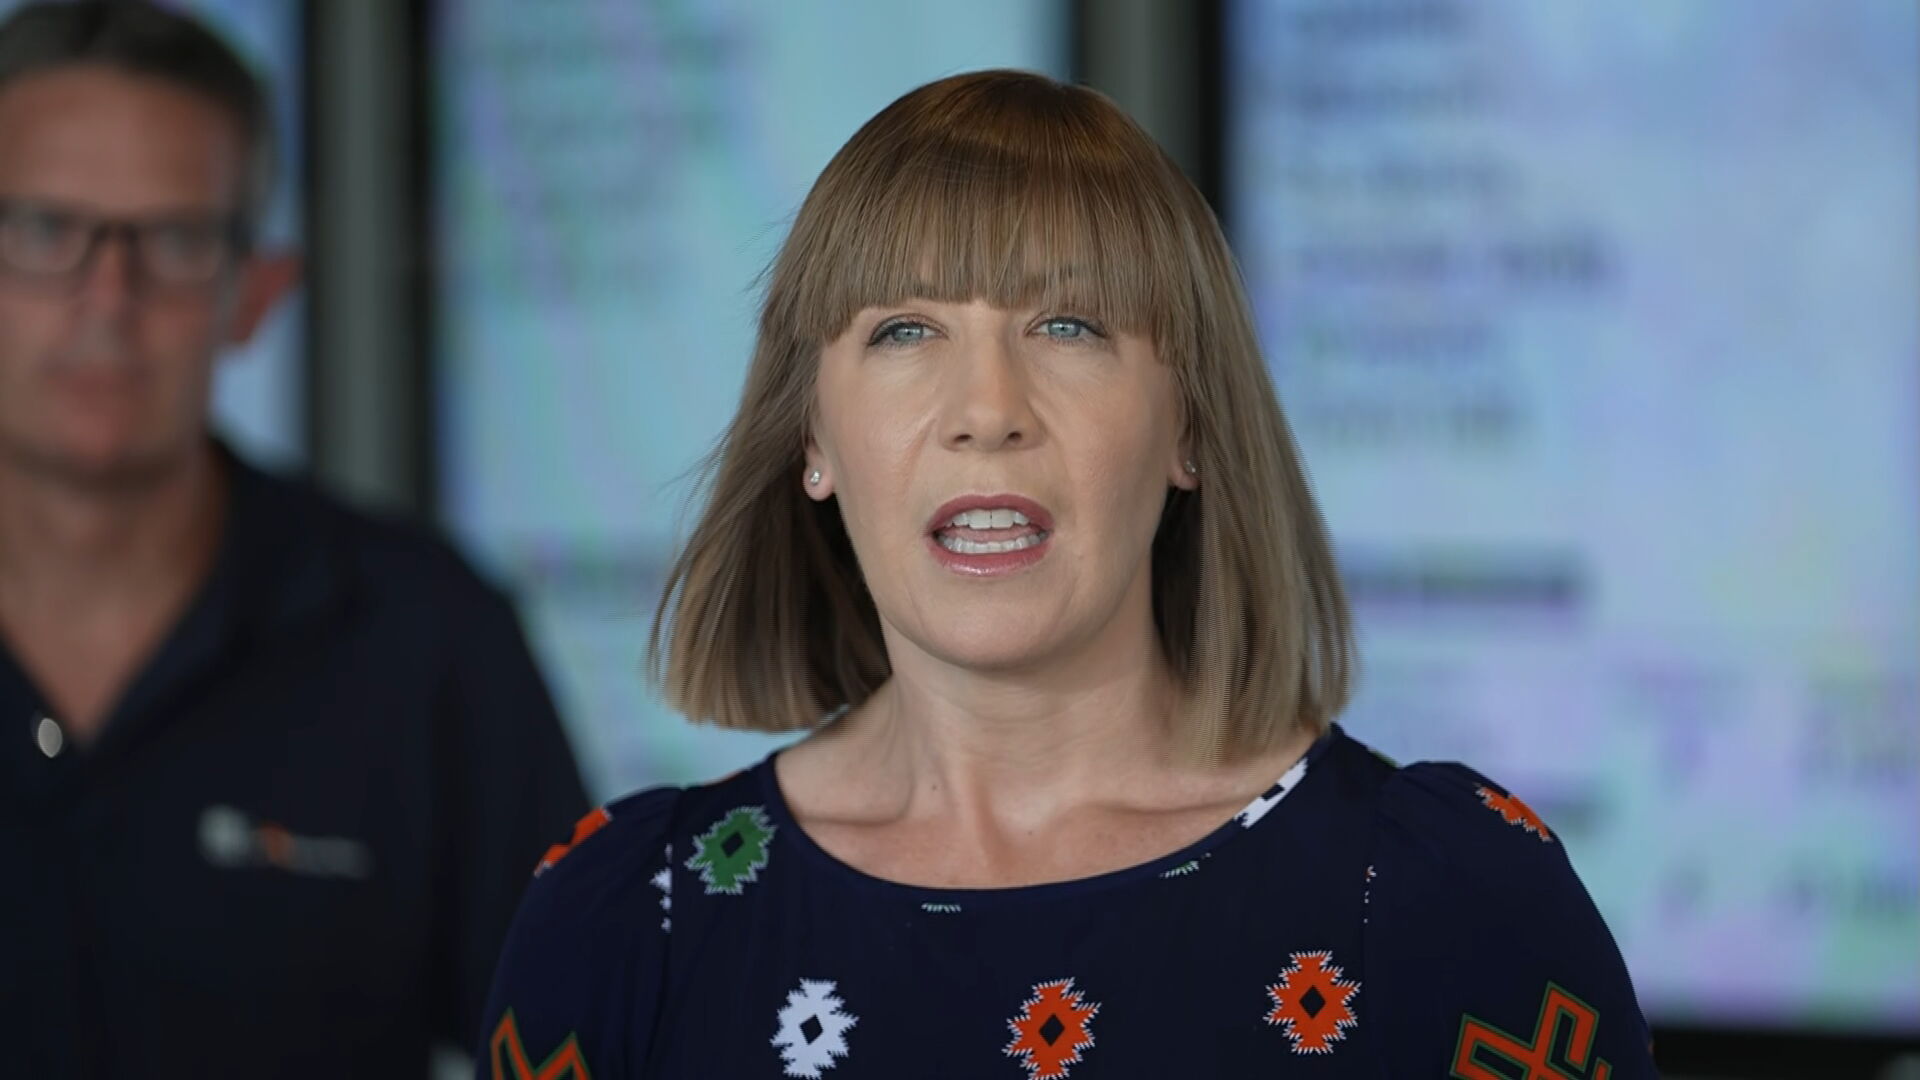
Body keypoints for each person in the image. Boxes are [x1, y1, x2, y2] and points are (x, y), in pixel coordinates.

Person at [480, 70, 1658, 1078]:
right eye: (903, 330)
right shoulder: (630, 921)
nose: (987, 411)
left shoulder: (1451, 906)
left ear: (1191, 429)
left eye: (1070, 327)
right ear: (812, 441)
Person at [0, 3, 588, 1075]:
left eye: (175, 240)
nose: (109, 299)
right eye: (44, 230)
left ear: (257, 292)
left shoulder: (428, 643)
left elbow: (587, 1042)